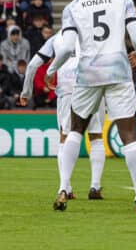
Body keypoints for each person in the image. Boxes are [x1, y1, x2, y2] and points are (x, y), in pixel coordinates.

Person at [46, 0, 136, 213]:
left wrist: (52, 69)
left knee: (75, 130)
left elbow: (68, 47)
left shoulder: (73, 6)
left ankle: (63, 188)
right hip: (118, 71)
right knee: (129, 136)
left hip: (88, 74)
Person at [20, 32, 106, 200]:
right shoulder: (94, 32)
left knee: (65, 136)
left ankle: (65, 188)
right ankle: (95, 187)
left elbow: (32, 65)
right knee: (96, 136)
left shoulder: (56, 38)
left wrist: (26, 92)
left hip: (67, 89)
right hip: (93, 86)